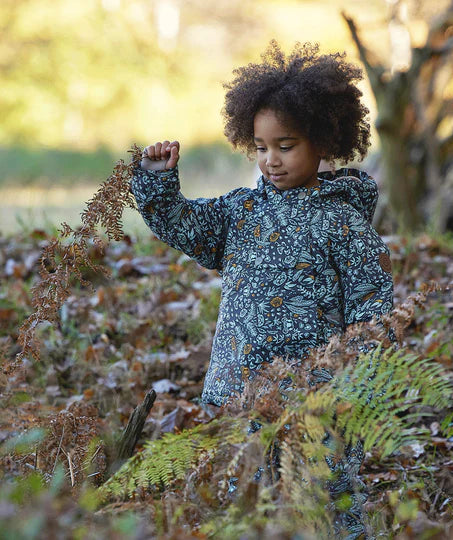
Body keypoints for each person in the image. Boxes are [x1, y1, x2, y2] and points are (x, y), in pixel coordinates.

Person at [131, 41, 393, 538]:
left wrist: (361, 387)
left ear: (323, 140)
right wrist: (159, 183)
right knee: (246, 505)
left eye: (286, 146)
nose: (270, 160)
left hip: (316, 400)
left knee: (322, 502)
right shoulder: (240, 212)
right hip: (240, 394)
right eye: (260, 147)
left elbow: (374, 313)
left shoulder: (343, 223)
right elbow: (184, 225)